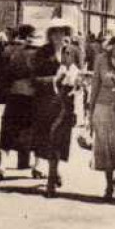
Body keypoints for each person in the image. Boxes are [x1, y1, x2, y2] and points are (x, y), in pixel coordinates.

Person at [32, 22, 81, 196]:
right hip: (46, 102)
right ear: (50, 35)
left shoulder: (74, 52)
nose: (60, 37)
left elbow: (81, 75)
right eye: (56, 33)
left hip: (66, 103)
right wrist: (55, 79)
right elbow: (34, 78)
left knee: (60, 140)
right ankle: (52, 177)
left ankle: (53, 175)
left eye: (63, 33)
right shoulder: (42, 53)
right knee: (48, 139)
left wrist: (75, 79)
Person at [88, 23, 115, 201]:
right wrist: (90, 113)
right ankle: (108, 184)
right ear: (112, 42)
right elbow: (95, 87)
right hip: (103, 108)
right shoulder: (100, 59)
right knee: (106, 148)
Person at [0, 24, 39, 179]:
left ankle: (2, 165)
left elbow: (0, 74)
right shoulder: (40, 54)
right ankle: (37, 166)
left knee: (8, 129)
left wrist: (4, 91)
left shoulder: (8, 50)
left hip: (14, 95)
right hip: (33, 96)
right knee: (34, 130)